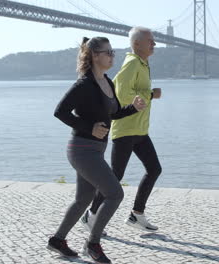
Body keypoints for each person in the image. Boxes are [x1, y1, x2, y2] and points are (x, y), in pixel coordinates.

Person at [47, 36, 146, 264]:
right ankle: (93, 244)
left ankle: (57, 240)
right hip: (81, 149)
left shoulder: (108, 82)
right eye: (108, 52)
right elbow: (60, 112)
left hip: (96, 150)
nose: (112, 56)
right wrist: (89, 127)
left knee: (83, 199)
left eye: (112, 52)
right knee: (115, 193)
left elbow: (112, 114)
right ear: (95, 55)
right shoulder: (83, 85)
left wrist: (134, 108)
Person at [82, 27, 162, 233]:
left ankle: (137, 214)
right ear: (137, 44)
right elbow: (123, 94)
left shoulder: (143, 64)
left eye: (153, 41)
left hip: (140, 130)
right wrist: (150, 94)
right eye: (150, 40)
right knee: (115, 176)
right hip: (125, 129)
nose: (154, 43)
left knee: (154, 169)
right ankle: (91, 215)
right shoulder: (132, 63)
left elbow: (133, 93)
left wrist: (148, 94)